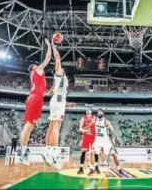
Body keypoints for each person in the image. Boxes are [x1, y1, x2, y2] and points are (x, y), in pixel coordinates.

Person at [17, 37, 52, 165]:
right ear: (33, 68)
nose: (38, 66)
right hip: (35, 99)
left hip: (36, 98)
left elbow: (42, 91)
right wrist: (49, 44)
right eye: (36, 65)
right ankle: (22, 151)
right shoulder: (37, 71)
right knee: (29, 126)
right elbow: (48, 58)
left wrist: (50, 91)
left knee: (29, 127)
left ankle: (22, 150)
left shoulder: (37, 77)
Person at [44, 37, 75, 169]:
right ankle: (54, 154)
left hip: (57, 101)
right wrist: (52, 44)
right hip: (57, 101)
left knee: (52, 126)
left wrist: (67, 104)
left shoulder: (62, 81)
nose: (59, 68)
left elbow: (57, 95)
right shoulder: (60, 75)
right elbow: (57, 58)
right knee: (56, 126)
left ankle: (48, 150)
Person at [78, 108, 97, 175]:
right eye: (87, 110)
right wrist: (85, 131)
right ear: (86, 112)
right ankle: (81, 168)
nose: (88, 111)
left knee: (93, 152)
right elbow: (80, 128)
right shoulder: (83, 118)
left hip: (93, 137)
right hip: (86, 136)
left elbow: (96, 126)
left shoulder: (94, 118)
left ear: (91, 111)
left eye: (89, 110)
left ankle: (94, 167)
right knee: (83, 152)